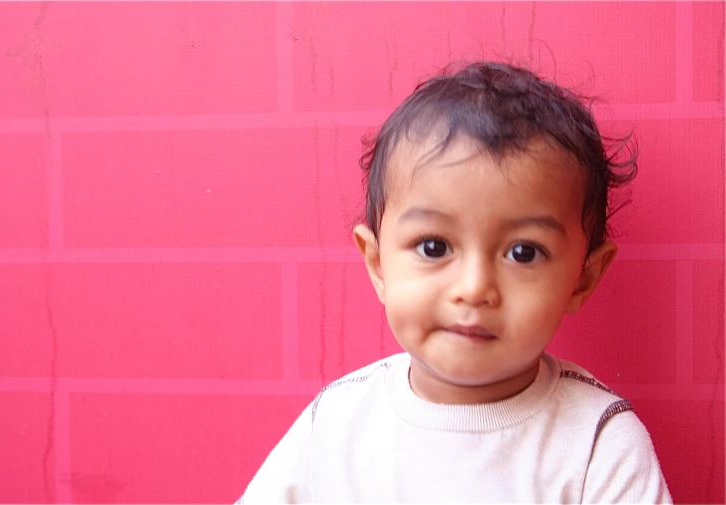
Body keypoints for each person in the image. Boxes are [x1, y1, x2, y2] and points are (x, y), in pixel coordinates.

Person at [236, 61, 672, 503]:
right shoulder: (336, 423)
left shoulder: (597, 444)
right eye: (433, 247)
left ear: (583, 278)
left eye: (523, 252)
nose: (474, 287)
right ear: (378, 263)